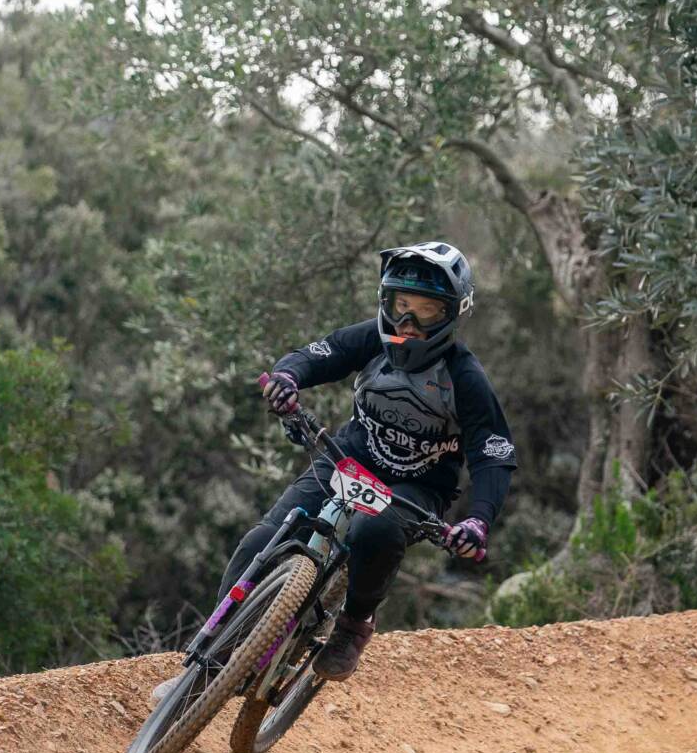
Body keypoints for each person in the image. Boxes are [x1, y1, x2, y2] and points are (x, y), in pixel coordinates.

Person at [221, 241, 517, 683]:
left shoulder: (465, 377)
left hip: (417, 489)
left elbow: (493, 452)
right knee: (260, 542)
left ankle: (354, 624)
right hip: (349, 460)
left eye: (427, 311)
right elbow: (318, 354)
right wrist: (287, 378)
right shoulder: (371, 339)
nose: (409, 323)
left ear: (454, 314)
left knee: (373, 528)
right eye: (401, 306)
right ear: (385, 301)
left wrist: (478, 520)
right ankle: (212, 659)